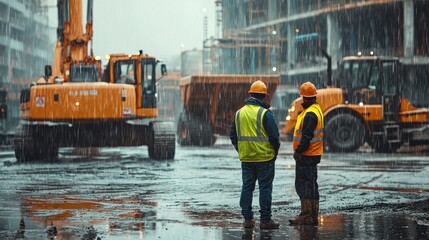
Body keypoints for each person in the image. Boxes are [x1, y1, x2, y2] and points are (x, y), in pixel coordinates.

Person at [230, 80, 281, 230]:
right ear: (264, 97)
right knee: (265, 188)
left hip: (246, 158)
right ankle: (265, 221)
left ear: (250, 94)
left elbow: (233, 135)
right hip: (265, 158)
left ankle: (247, 219)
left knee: (247, 187)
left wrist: (241, 150)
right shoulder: (265, 113)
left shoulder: (239, 113)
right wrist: (274, 152)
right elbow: (275, 137)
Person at [289, 81, 324, 225]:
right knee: (311, 184)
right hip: (313, 154)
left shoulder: (309, 114)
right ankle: (313, 215)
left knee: (304, 185)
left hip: (307, 155)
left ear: (304, 98)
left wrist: (298, 151)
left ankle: (306, 216)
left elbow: (306, 137)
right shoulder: (316, 110)